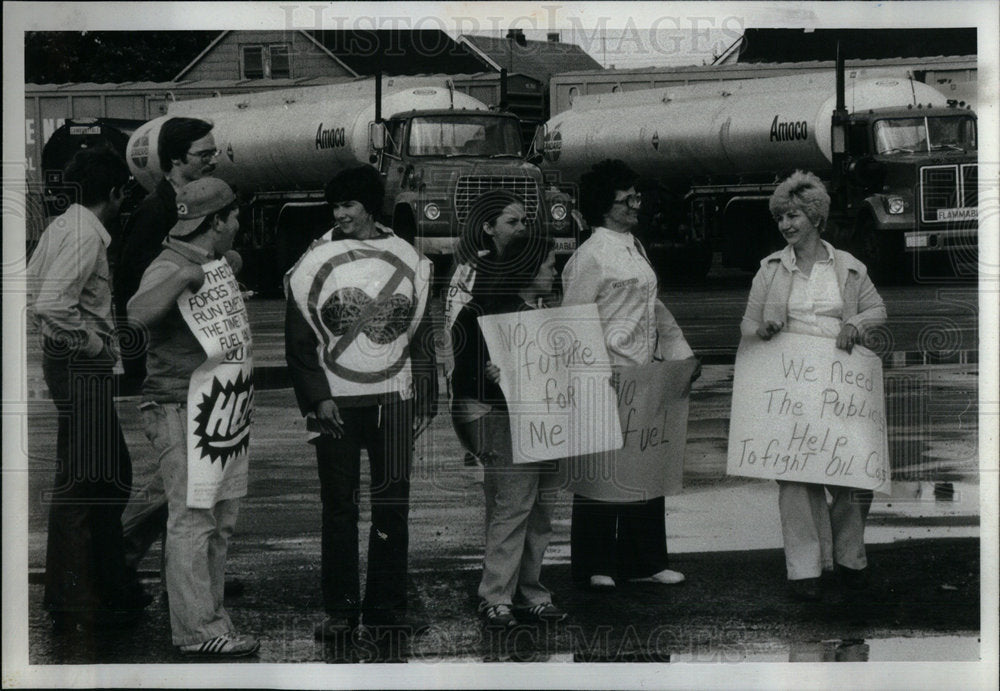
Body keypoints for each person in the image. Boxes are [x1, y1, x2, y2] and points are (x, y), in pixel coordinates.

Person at [285, 166, 438, 639]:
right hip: (336, 405)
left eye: (349, 205)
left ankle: (388, 607)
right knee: (339, 507)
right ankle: (341, 610)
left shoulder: (407, 257)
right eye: (335, 207)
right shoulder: (313, 261)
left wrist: (425, 395)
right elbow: (298, 339)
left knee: (393, 504)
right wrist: (317, 399)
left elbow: (422, 333)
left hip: (394, 398)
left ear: (370, 206)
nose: (341, 214)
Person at [127, 177, 259, 656]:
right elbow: (136, 314)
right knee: (193, 519)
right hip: (180, 406)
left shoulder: (210, 260)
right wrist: (184, 279)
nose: (239, 225)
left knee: (219, 520)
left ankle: (210, 619)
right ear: (218, 221)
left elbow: (228, 265)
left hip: (218, 407)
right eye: (235, 218)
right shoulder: (170, 265)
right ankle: (198, 632)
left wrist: (224, 268)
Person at [740, 170, 887, 602]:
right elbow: (746, 323)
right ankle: (804, 569)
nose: (786, 225)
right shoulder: (769, 270)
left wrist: (854, 323)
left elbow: (878, 310)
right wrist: (762, 329)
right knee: (795, 477)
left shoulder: (849, 267)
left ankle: (849, 558)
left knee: (853, 473)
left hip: (842, 382)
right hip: (792, 384)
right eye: (781, 218)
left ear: (816, 217)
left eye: (794, 216)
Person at [561, 159, 699, 590]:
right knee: (601, 471)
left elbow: (653, 309)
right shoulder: (590, 256)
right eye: (628, 199)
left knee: (646, 465)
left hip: (644, 373)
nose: (637, 204)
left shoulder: (634, 247)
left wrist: (681, 355)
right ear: (607, 205)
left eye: (637, 196)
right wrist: (588, 375)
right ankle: (594, 562)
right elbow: (575, 318)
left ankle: (647, 559)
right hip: (606, 374)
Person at [27, 147, 147, 632]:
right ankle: (73, 596)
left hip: (65, 363)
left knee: (109, 472)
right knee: (83, 482)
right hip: (81, 365)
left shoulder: (63, 226)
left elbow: (32, 285)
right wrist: (96, 342)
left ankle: (102, 583)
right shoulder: (86, 235)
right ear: (116, 192)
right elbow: (52, 303)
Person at [115, 117, 229, 588]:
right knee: (178, 489)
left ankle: (180, 571)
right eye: (203, 153)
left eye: (212, 152)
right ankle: (116, 555)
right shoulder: (156, 211)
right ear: (176, 159)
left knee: (181, 488)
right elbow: (134, 291)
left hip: (199, 372)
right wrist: (140, 361)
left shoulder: (200, 203)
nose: (211, 160)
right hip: (172, 377)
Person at [450, 232, 568, 628]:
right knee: (515, 506)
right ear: (529, 270)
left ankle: (526, 590)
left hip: (540, 419)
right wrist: (494, 379)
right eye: (550, 264)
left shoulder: (541, 313)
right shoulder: (483, 313)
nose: (555, 271)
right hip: (504, 420)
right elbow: (463, 378)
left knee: (538, 508)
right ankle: (498, 595)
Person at [444, 190, 529, 464]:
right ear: (488, 228)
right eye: (512, 222)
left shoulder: (529, 266)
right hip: (481, 397)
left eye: (524, 221)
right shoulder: (471, 270)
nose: (522, 228)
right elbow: (454, 342)